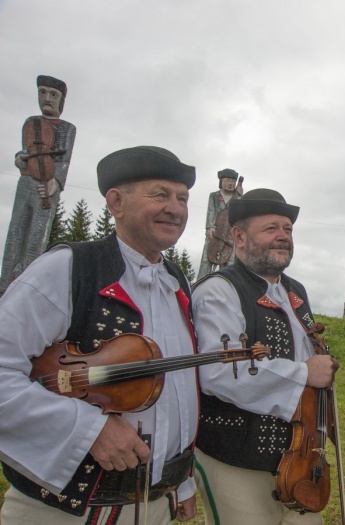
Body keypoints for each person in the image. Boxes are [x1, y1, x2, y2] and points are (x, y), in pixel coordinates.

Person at [0, 145, 199, 524]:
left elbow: (178, 393)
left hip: (156, 503)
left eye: (182, 198)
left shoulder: (177, 283)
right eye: (160, 194)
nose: (175, 208)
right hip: (68, 511)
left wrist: (181, 483)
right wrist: (89, 429)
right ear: (116, 202)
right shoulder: (69, 268)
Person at [192, 188, 338, 525]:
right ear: (239, 237)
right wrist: (304, 373)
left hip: (301, 457)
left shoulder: (295, 291)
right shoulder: (219, 290)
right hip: (236, 458)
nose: (283, 237)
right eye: (271, 228)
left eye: (287, 229)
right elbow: (220, 373)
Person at [0, 75, 77, 295]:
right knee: (16, 229)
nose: (47, 98)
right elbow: (25, 150)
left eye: (53, 95)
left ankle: (27, 286)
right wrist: (20, 158)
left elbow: (65, 160)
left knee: (36, 234)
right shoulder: (30, 122)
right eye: (42, 92)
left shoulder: (67, 128)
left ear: (61, 100)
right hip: (26, 181)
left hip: (47, 184)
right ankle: (6, 282)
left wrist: (57, 181)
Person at [196, 168, 243, 280]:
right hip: (215, 233)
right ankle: (200, 284)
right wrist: (209, 227)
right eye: (227, 180)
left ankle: (226, 285)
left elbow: (240, 215)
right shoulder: (214, 196)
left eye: (233, 181)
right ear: (221, 181)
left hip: (230, 235)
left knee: (229, 262)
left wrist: (240, 197)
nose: (230, 183)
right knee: (207, 260)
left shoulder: (237, 197)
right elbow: (211, 211)